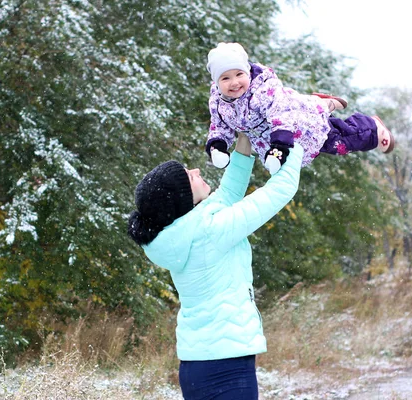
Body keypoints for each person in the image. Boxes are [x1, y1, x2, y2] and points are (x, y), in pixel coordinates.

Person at [127, 133, 303, 399]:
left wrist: (245, 135)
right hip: (227, 368)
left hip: (197, 366)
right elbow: (280, 191)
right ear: (183, 197)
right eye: (189, 175)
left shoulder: (184, 230)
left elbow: (229, 193)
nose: (196, 170)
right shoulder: (210, 230)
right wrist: (298, 139)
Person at [205, 42, 395, 174]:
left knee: (336, 142)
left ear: (247, 71)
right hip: (269, 138)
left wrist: (279, 147)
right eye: (226, 78)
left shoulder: (262, 90)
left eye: (239, 74)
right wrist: (217, 147)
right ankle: (322, 103)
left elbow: (281, 116)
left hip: (293, 125)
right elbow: (219, 126)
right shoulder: (218, 102)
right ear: (217, 81)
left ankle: (372, 129)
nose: (235, 82)